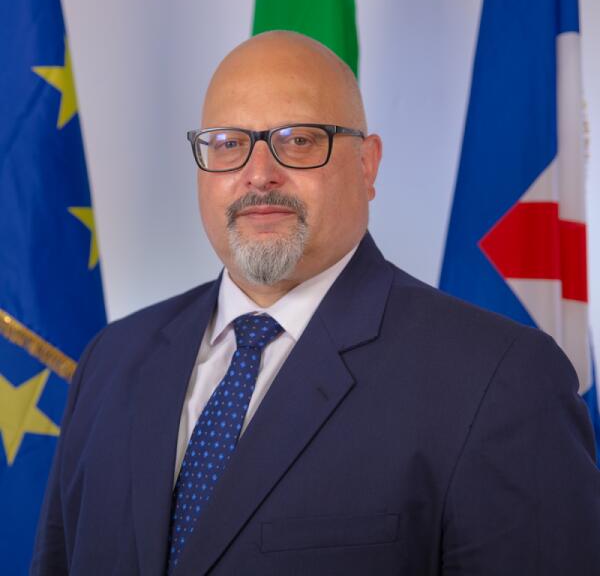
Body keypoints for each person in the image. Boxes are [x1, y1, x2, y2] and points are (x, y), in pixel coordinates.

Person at [31, 31, 600, 576]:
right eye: (228, 144)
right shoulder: (110, 362)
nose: (259, 174)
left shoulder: (499, 380)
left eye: (299, 140)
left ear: (367, 164)